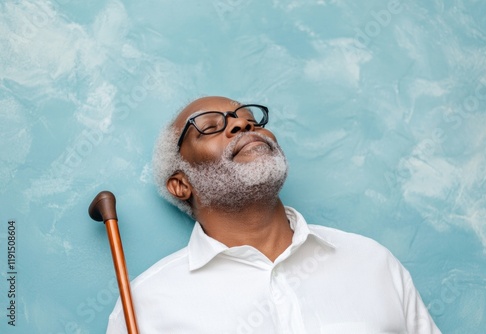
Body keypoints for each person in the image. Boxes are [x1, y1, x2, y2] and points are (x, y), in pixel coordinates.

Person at [106, 96, 441, 333]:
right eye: (209, 126)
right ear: (181, 185)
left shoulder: (371, 262)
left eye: (251, 120)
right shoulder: (144, 305)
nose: (241, 124)